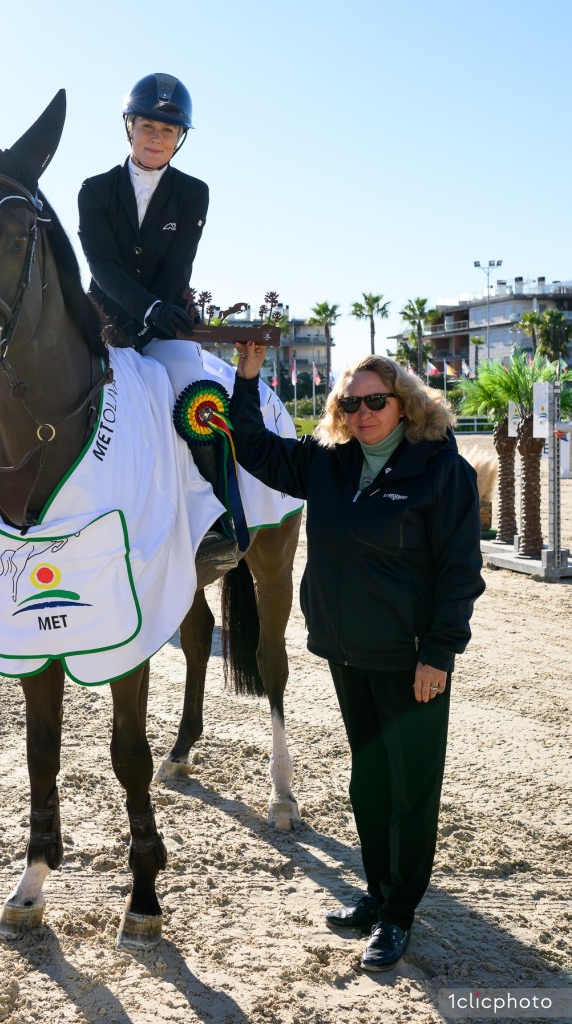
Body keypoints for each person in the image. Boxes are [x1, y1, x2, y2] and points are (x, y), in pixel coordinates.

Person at [230, 347, 486, 972]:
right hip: (348, 652)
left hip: (412, 662)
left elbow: (460, 572)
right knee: (369, 781)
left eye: (377, 400)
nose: (364, 412)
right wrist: (246, 378)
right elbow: (256, 448)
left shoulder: (438, 469)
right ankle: (376, 895)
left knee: (411, 790)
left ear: (406, 405)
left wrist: (439, 654)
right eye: (352, 403)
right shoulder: (329, 464)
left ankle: (400, 915)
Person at [77, 72, 235, 565]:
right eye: (148, 126)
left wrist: (156, 316)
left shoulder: (194, 193)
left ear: (179, 137)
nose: (156, 138)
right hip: (100, 322)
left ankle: (216, 521)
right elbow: (101, 265)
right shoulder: (95, 189)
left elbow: (177, 264)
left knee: (197, 390)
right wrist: (142, 309)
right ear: (129, 127)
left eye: (168, 130)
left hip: (165, 322)